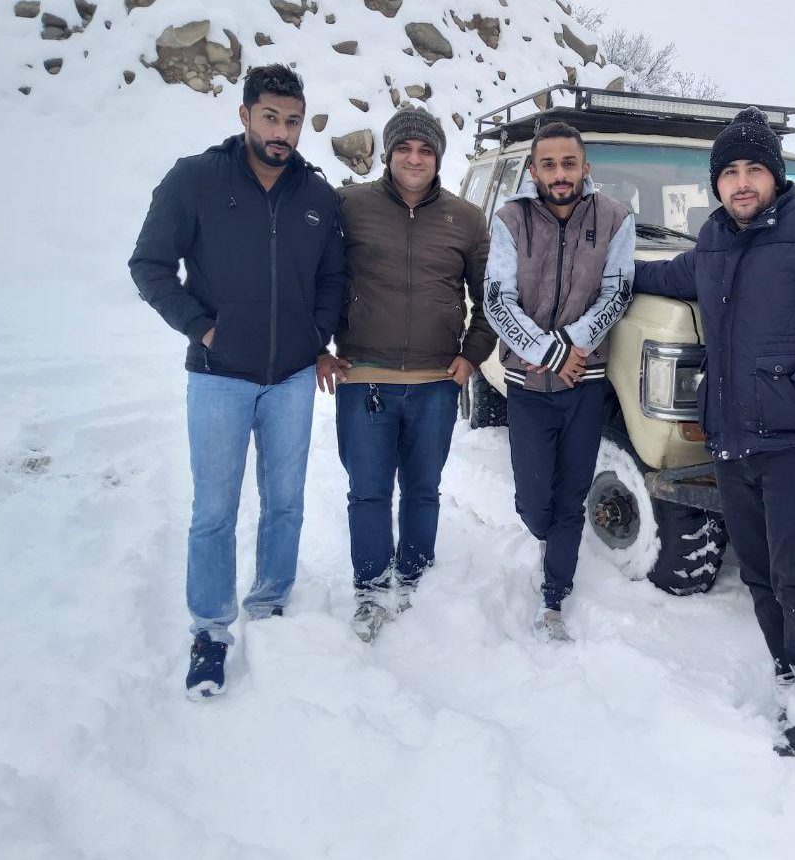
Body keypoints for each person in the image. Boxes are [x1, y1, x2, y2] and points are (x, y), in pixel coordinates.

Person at [632, 107, 795, 759]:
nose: (741, 183)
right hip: (735, 438)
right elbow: (670, 275)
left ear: (774, 175)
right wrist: (611, 272)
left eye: (754, 170)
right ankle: (788, 679)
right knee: (762, 576)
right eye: (729, 172)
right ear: (716, 183)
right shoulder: (716, 240)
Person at [128, 64, 347, 699]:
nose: (282, 132)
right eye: (271, 117)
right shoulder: (196, 179)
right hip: (218, 378)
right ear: (245, 115)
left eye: (293, 122)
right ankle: (209, 629)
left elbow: (333, 276)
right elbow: (149, 265)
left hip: (292, 378)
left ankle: (271, 602)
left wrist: (317, 336)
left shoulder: (317, 194)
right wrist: (202, 328)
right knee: (214, 510)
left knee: (285, 501)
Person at [317, 107, 495, 643]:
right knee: (368, 490)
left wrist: (473, 355)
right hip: (363, 376)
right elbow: (316, 278)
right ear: (388, 154)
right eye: (404, 148)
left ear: (438, 157)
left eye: (425, 150)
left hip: (436, 381)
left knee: (422, 487)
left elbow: (491, 298)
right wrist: (318, 347)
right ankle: (371, 587)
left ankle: (415, 576)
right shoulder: (349, 206)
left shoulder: (466, 219)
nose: (414, 159)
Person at [482, 122, 635, 643]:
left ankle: (554, 595)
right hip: (528, 384)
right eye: (548, 164)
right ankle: (546, 539)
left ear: (585, 167)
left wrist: (572, 346)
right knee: (533, 502)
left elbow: (617, 293)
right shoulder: (510, 220)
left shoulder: (615, 218)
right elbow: (496, 300)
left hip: (584, 384)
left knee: (571, 496)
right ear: (533, 170)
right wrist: (548, 354)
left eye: (569, 163)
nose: (559, 174)